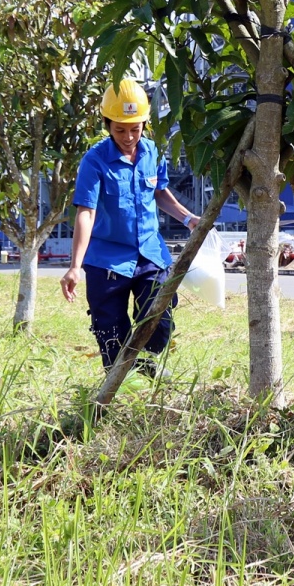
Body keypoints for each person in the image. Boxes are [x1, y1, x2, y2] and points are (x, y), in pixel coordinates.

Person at [61, 79, 199, 391]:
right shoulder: (94, 161)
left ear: (144, 124)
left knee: (159, 318)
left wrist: (189, 218)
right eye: (120, 129)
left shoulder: (152, 152)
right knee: (110, 332)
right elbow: (86, 212)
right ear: (108, 124)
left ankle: (146, 368)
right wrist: (74, 266)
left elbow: (160, 193)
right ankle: (120, 387)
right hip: (107, 260)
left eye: (135, 128)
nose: (128, 137)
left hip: (150, 254)